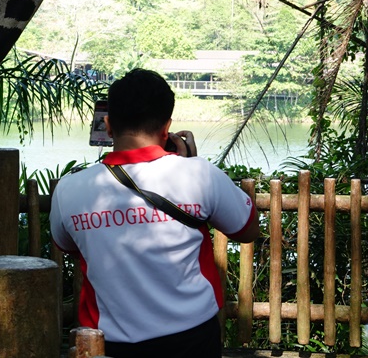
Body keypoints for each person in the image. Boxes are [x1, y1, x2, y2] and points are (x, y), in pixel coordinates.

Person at [50, 68, 259, 358]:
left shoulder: (69, 190)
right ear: (167, 128)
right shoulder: (200, 175)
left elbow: (69, 245)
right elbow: (247, 230)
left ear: (108, 126)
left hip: (107, 344)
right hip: (192, 340)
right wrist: (189, 165)